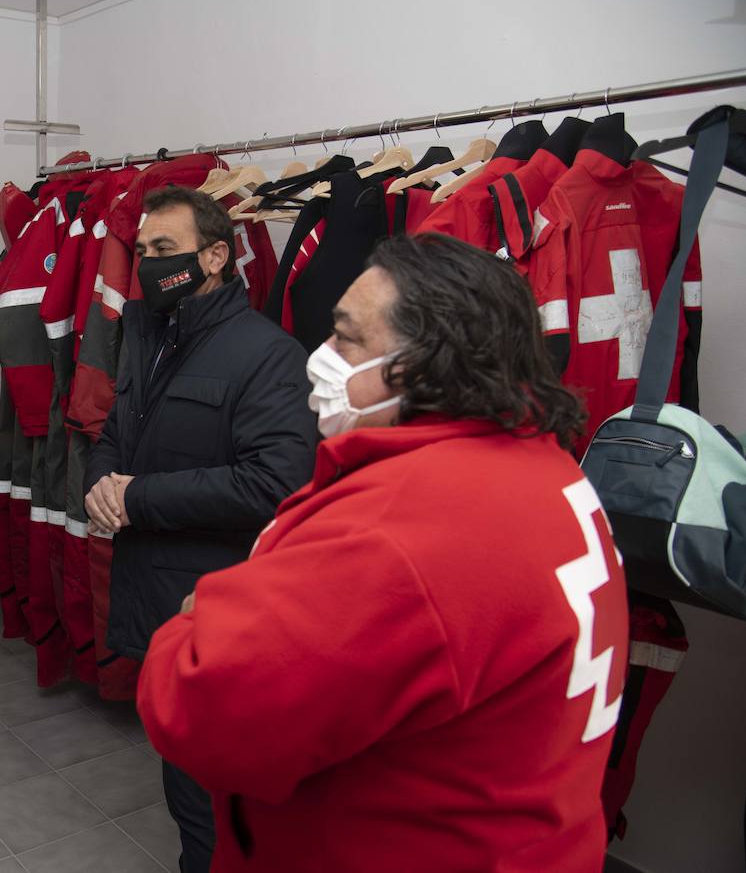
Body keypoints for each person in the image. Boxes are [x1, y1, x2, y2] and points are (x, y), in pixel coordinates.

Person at [137, 234, 630, 872]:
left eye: (345, 338)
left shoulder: (400, 531)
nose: (321, 357)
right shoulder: (545, 466)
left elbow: (200, 712)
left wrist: (196, 612)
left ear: (426, 366)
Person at [83, 185, 318, 873]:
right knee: (183, 771)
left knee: (211, 803)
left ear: (215, 256)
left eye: (165, 251)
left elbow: (277, 482)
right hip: (154, 596)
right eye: (143, 251)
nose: (149, 264)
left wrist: (140, 497)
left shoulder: (266, 353)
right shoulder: (143, 334)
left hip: (216, 604)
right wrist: (102, 481)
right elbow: (115, 432)